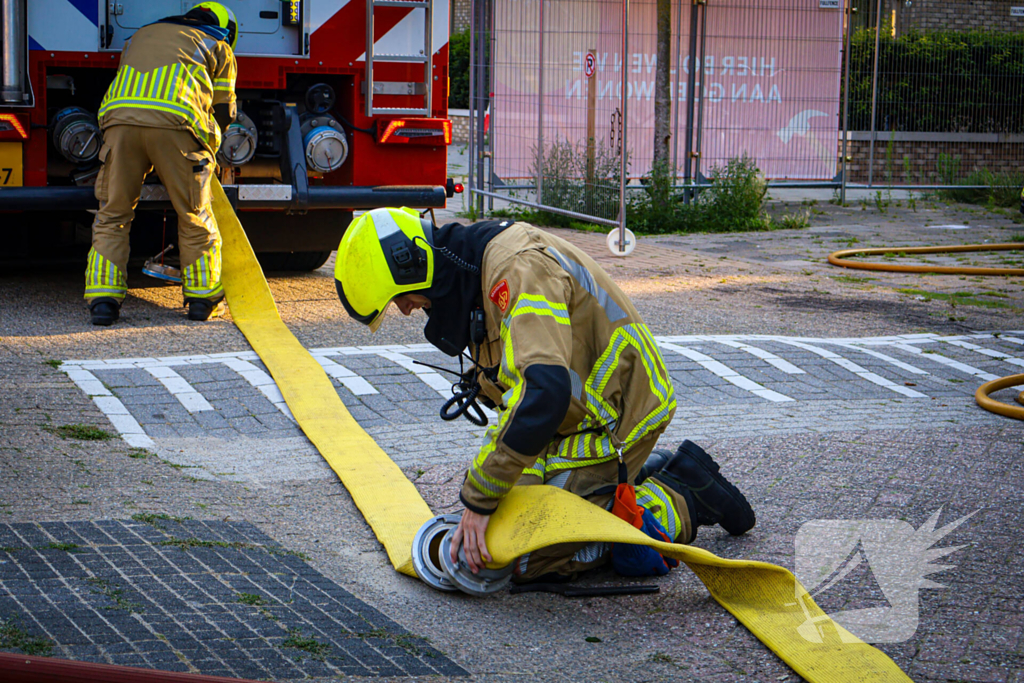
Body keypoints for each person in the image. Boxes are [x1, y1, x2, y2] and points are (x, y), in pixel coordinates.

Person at [334, 208, 756, 582]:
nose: (407, 310)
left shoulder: (517, 271)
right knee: (504, 522)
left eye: (399, 299)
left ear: (413, 265)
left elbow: (543, 392)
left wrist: (478, 500)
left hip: (617, 412)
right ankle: (620, 481)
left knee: (531, 553)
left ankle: (680, 496)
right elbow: (524, 394)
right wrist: (486, 497)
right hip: (566, 419)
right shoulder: (476, 275)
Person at [85, 2, 239, 326]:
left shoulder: (139, 36)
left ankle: (103, 300)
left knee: (113, 213)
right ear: (226, 27)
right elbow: (225, 111)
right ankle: (203, 298)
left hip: (119, 124)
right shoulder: (218, 44)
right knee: (194, 216)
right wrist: (210, 147)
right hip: (177, 126)